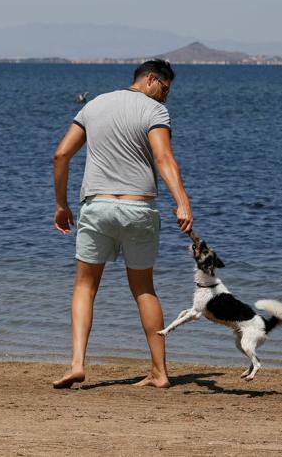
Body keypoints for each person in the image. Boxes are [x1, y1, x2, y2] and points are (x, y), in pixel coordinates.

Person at [52, 59, 193, 389]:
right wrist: (182, 201)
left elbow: (60, 155)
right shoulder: (153, 111)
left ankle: (76, 364)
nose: (166, 97)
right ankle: (159, 372)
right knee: (144, 289)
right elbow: (164, 158)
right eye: (166, 89)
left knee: (85, 287)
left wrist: (61, 204)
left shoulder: (94, 104)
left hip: (97, 207)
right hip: (138, 209)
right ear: (151, 80)